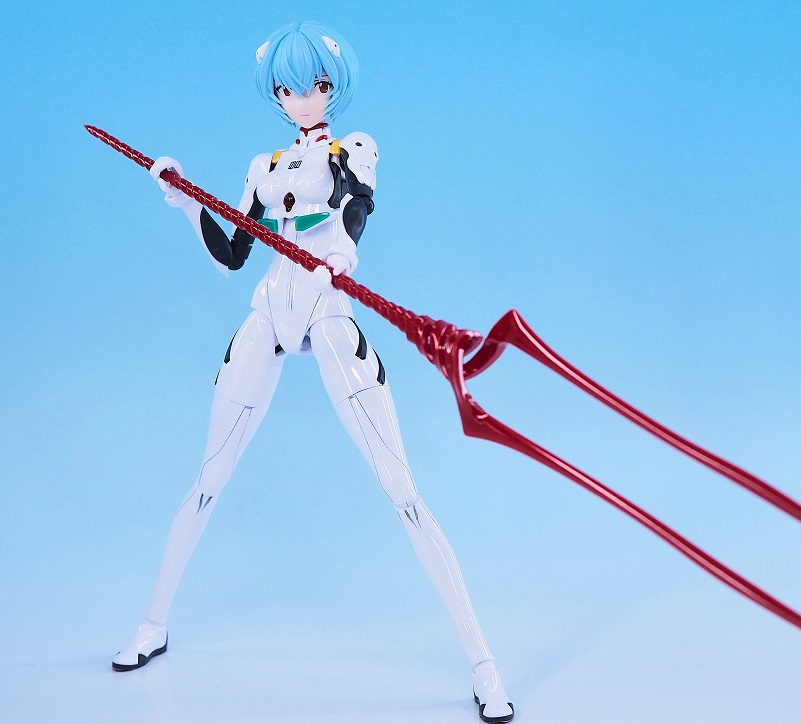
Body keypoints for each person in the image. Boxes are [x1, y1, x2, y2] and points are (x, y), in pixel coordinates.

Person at [111, 21, 513, 724]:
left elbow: (358, 206)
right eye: (288, 89)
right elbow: (235, 254)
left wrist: (341, 257)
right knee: (208, 479)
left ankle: (483, 664)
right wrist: (187, 202)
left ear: (334, 87)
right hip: (270, 307)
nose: (302, 99)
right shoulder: (264, 165)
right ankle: (152, 623)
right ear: (275, 94)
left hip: (328, 308)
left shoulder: (351, 148)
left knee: (403, 493)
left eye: (316, 85)